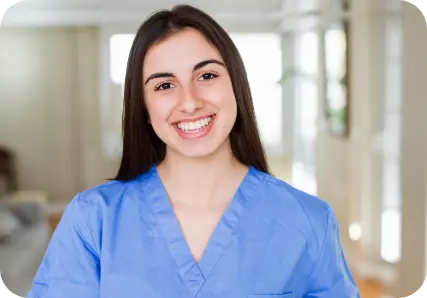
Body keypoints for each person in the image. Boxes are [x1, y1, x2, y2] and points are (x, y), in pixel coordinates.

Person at [26, 4, 360, 298]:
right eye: (164, 85)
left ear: (237, 85)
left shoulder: (309, 221)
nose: (190, 101)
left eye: (207, 75)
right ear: (143, 106)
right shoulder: (93, 221)